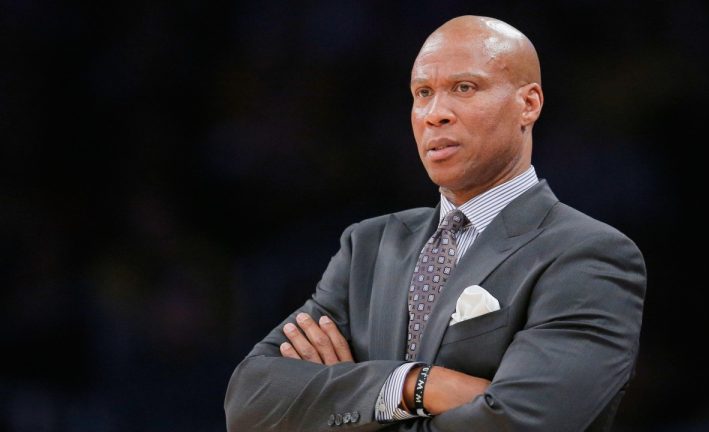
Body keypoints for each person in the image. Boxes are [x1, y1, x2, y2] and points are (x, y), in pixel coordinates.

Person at [224, 15, 646, 431]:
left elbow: (521, 422)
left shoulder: (587, 254)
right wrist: (415, 384)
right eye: (423, 92)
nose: (435, 113)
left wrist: (352, 408)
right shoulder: (368, 246)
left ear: (528, 103)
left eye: (464, 88)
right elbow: (250, 401)